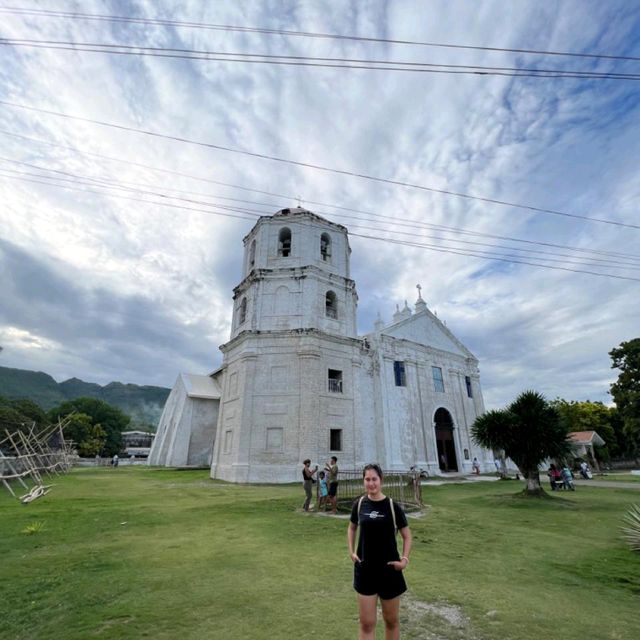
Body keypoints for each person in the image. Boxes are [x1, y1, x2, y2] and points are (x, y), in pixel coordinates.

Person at [348, 463, 412, 640]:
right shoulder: (360, 504)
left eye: (374, 479)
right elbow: (352, 527)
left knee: (391, 621)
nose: (371, 483)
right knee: (366, 623)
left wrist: (404, 560)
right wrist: (351, 551)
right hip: (365, 570)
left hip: (389, 571)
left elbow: (407, 535)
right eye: (367, 479)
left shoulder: (392, 506)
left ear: (381, 480)